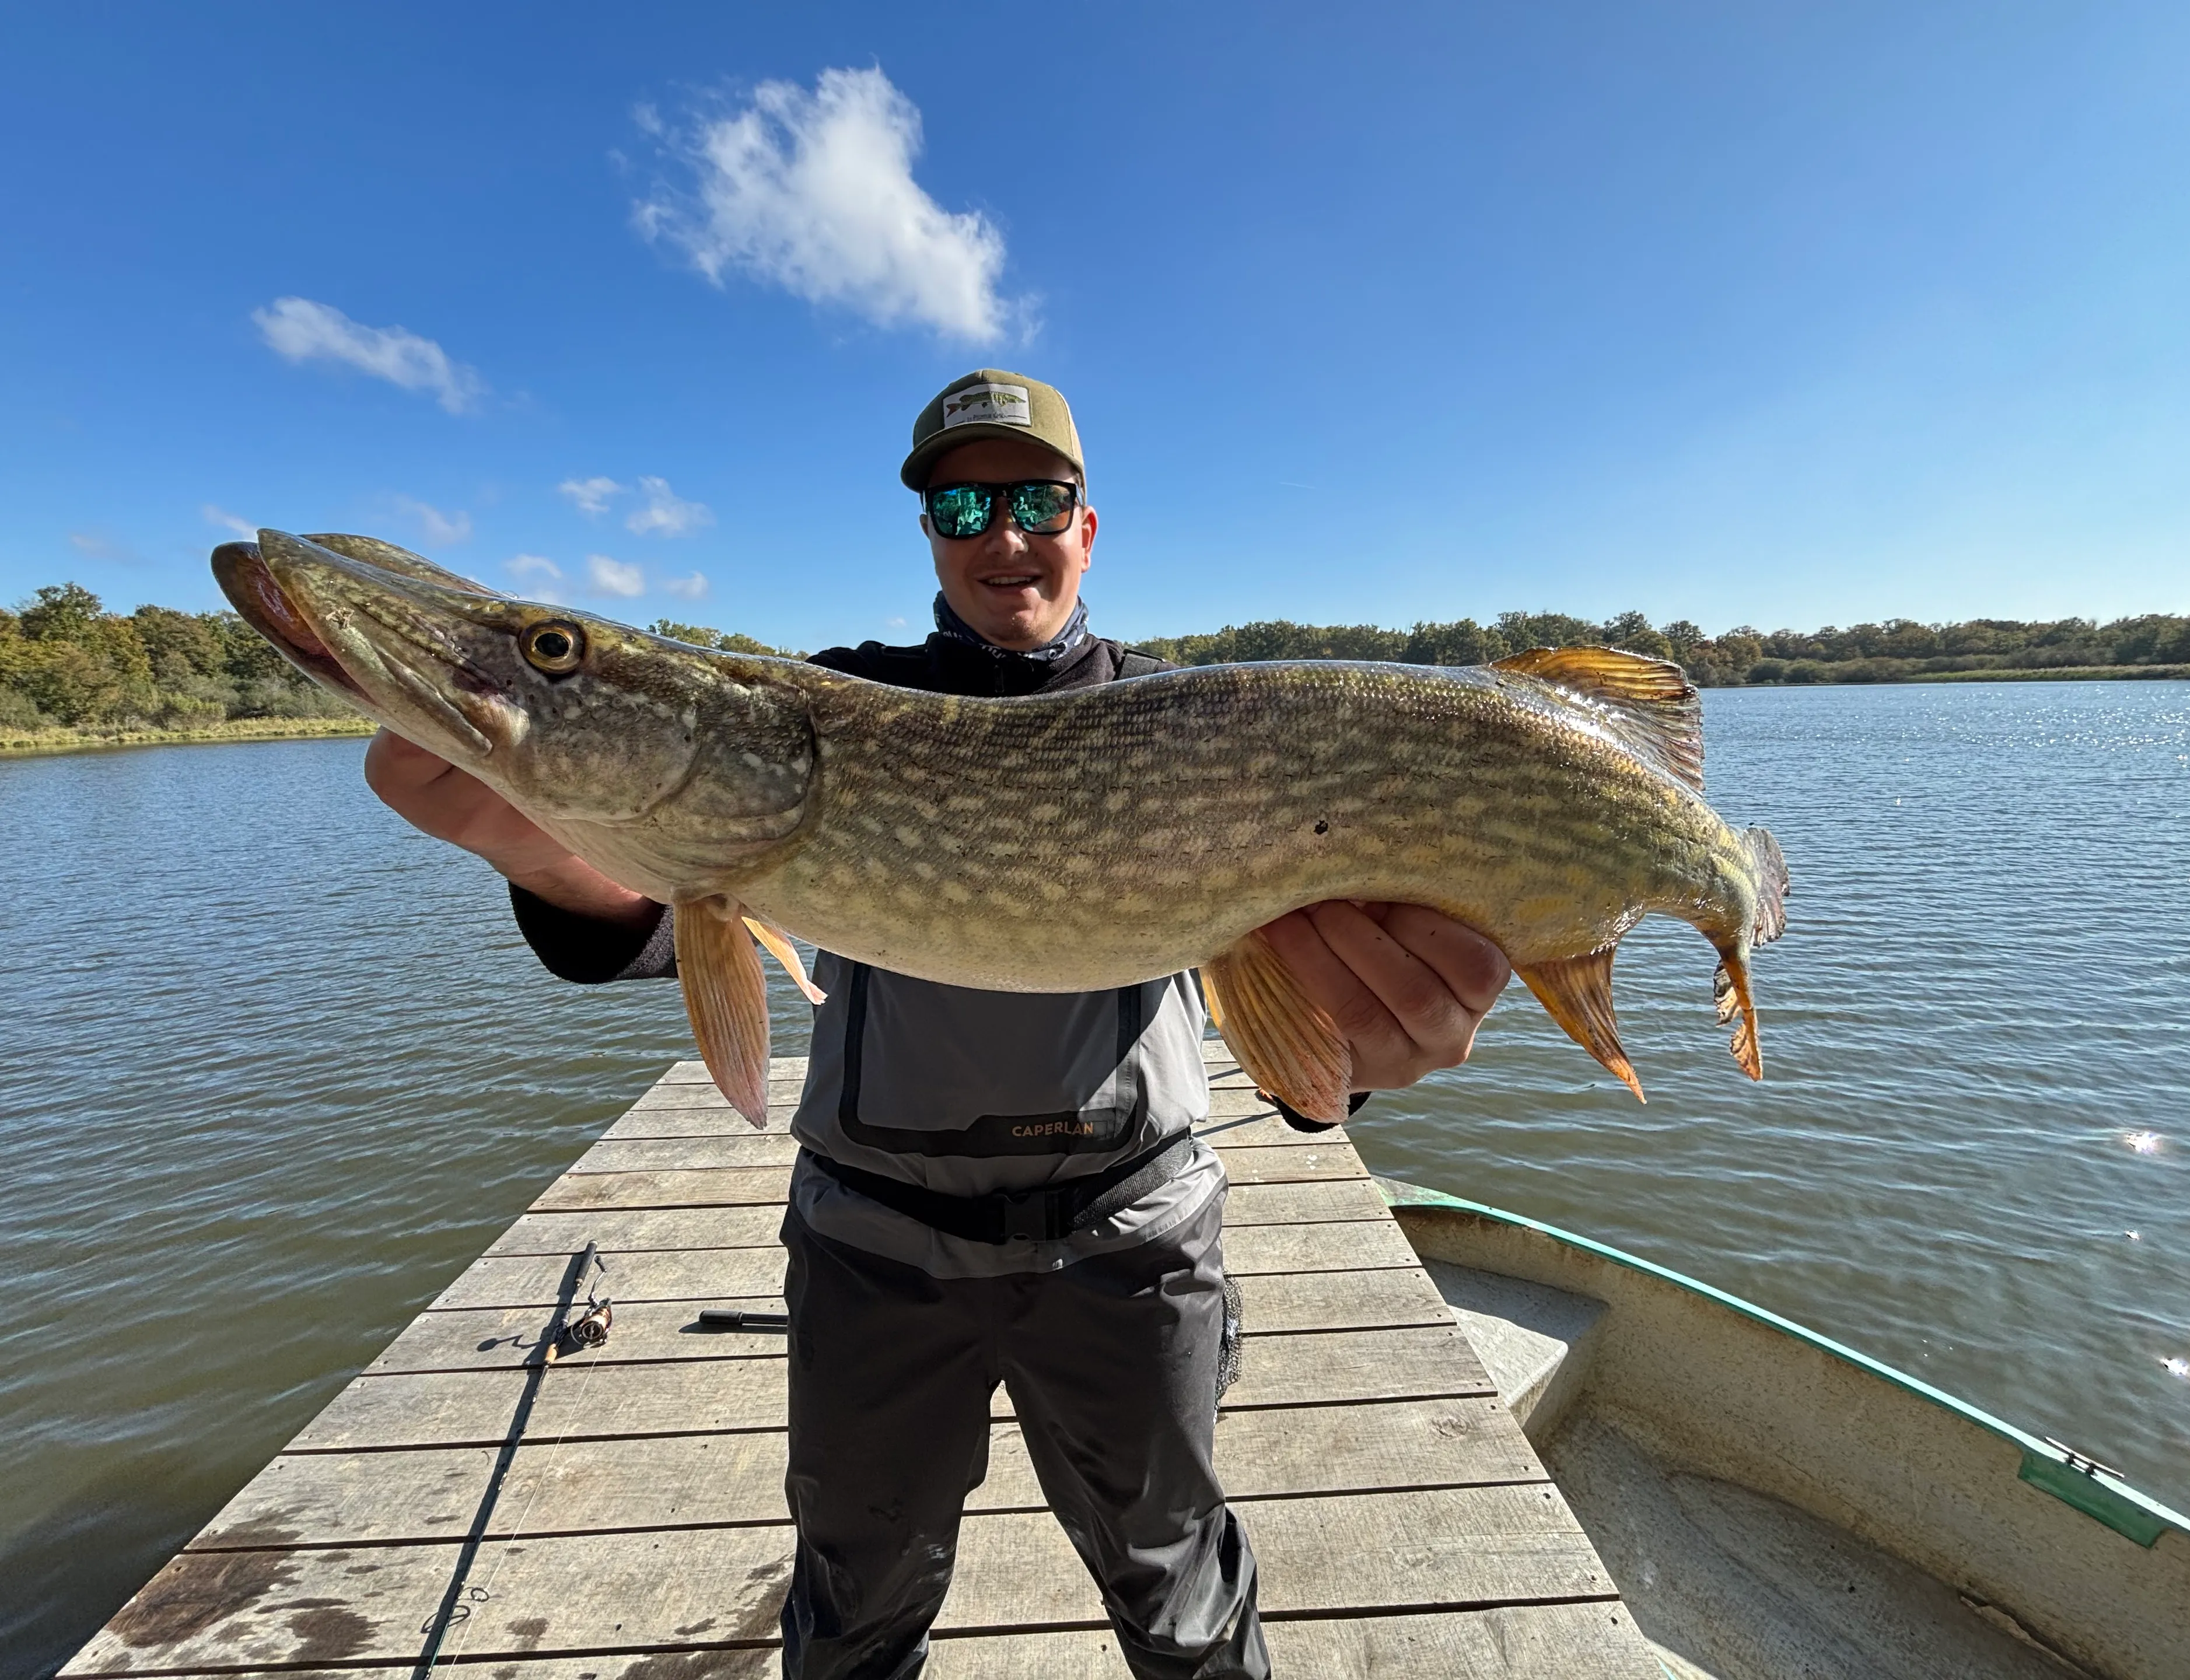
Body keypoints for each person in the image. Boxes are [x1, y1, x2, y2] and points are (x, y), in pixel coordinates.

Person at [366, 370, 1510, 1679]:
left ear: (1089, 527)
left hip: (1132, 1239)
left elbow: (1314, 1027)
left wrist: (1356, 1060)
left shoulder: (1210, 730)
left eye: (1039, 500)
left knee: (1182, 1600)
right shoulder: (826, 706)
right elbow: (650, 920)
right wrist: (564, 862)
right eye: (965, 502)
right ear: (929, 531)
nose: (1004, 534)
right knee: (854, 1619)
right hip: (878, 1248)